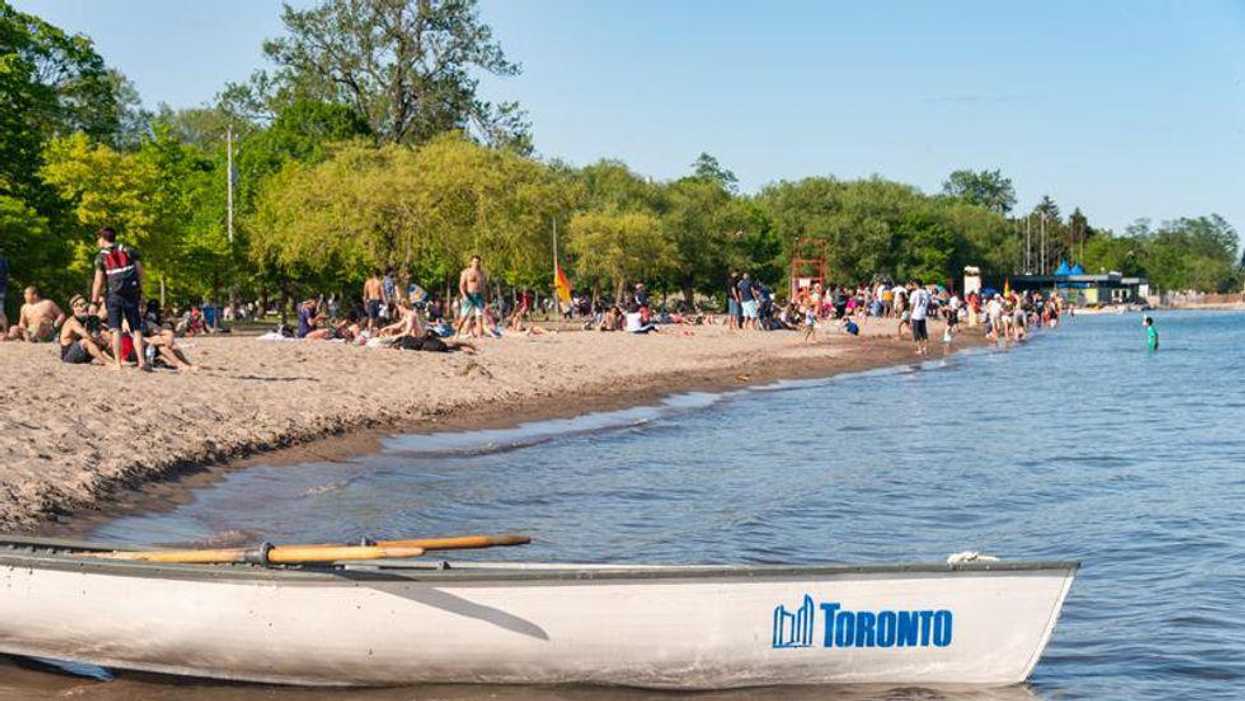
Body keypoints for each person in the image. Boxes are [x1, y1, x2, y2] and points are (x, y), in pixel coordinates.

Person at [91, 227, 150, 371]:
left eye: (98, 239)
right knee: (136, 329)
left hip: (114, 295)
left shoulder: (101, 257)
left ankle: (118, 363)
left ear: (103, 239)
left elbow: (98, 281)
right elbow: (141, 273)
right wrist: (141, 292)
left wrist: (93, 301)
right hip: (131, 294)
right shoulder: (129, 250)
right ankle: (142, 361)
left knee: (115, 329)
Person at [58, 295, 111, 365]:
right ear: (74, 307)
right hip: (69, 356)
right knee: (85, 342)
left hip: (83, 354)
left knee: (105, 335)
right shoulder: (72, 322)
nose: (85, 307)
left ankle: (120, 359)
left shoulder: (86, 320)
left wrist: (105, 336)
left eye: (86, 304)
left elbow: (99, 329)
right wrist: (99, 341)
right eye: (82, 305)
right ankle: (107, 362)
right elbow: (86, 335)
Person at [456, 255, 488, 338]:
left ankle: (479, 336)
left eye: (478, 262)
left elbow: (483, 286)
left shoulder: (482, 273)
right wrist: (464, 295)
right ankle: (457, 333)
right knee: (463, 317)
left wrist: (485, 297)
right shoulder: (466, 272)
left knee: (479, 316)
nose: (476, 264)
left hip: (479, 296)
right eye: (474, 262)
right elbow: (461, 285)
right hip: (469, 295)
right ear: (471, 262)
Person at [909, 281, 930, 356]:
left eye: (913, 284)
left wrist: (910, 316)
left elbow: (912, 305)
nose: (912, 286)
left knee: (916, 333)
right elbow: (927, 303)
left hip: (916, 315)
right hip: (923, 314)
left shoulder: (914, 293)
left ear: (916, 284)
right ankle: (926, 348)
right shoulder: (926, 292)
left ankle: (920, 349)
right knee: (924, 333)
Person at [0, 254, 8, 333]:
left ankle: (5, 332)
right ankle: (5, 332)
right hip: (2, 289)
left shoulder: (2, 261)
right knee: (1, 312)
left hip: (0, 290)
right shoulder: (3, 260)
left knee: (0, 312)